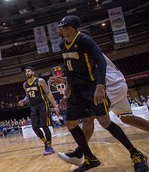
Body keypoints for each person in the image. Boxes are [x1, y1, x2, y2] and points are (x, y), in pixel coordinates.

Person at [56, 15, 148, 172]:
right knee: (126, 118)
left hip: (110, 86)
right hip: (113, 85)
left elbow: (95, 69)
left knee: (91, 118)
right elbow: (78, 72)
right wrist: (67, 87)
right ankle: (83, 154)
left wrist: (98, 87)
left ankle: (80, 154)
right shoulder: (69, 47)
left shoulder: (87, 47)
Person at [18, 66, 59, 155]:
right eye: (26, 72)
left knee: (44, 126)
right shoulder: (25, 84)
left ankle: (50, 146)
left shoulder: (40, 81)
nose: (27, 73)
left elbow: (48, 93)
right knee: (35, 127)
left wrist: (55, 106)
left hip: (43, 104)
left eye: (29, 71)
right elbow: (28, 96)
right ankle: (45, 143)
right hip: (33, 106)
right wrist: (24, 101)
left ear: (33, 72)